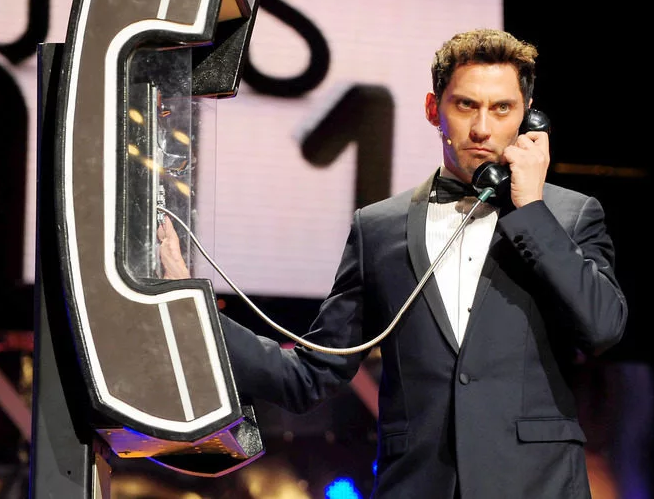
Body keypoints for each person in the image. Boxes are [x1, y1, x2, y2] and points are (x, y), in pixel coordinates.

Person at [158, 28, 628, 498]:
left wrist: (531, 212)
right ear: (433, 109)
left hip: (537, 486)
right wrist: (192, 310)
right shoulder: (379, 229)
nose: (483, 128)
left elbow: (602, 328)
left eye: (502, 108)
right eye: (466, 105)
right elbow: (309, 376)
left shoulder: (568, 216)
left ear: (528, 117)